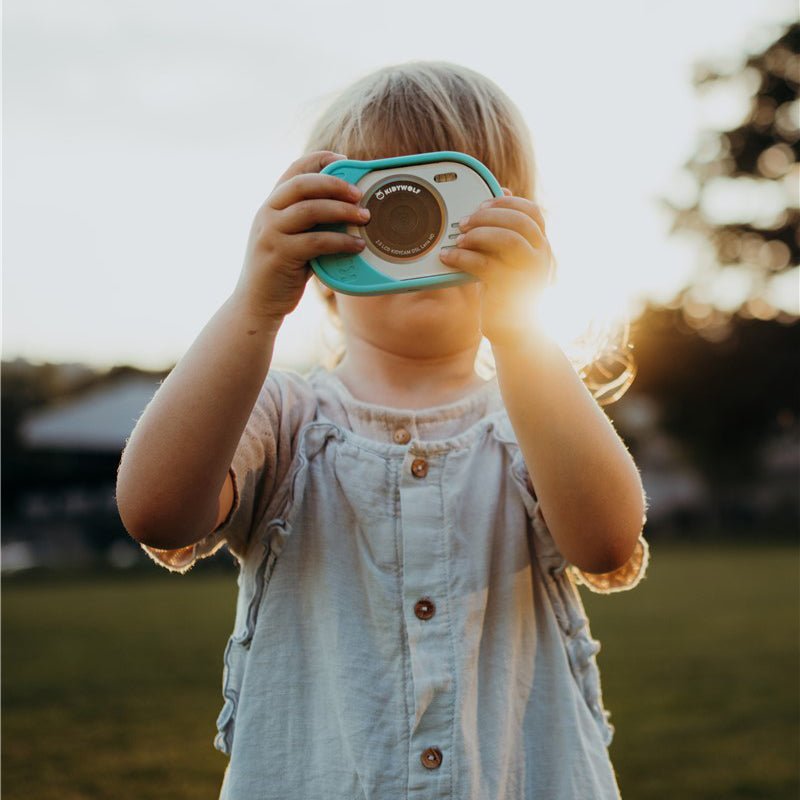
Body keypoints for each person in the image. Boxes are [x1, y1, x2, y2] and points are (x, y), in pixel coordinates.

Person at [115, 60, 650, 800]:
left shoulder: (533, 418)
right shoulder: (280, 415)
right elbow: (156, 510)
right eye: (388, 205)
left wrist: (524, 333)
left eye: (454, 200)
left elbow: (607, 541)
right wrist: (255, 304)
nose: (418, 231)